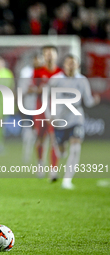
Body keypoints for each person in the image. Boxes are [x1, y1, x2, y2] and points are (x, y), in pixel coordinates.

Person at [48, 54, 100, 189]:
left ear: (78, 65)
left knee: (76, 148)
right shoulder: (55, 80)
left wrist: (94, 101)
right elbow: (46, 98)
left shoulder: (82, 80)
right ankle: (60, 155)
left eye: (73, 63)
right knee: (61, 151)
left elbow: (87, 101)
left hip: (76, 118)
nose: (71, 66)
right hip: (59, 120)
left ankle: (67, 180)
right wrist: (49, 115)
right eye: (68, 63)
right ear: (64, 65)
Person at [30, 45, 62, 180]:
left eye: (51, 53)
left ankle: (53, 170)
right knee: (41, 137)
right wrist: (41, 90)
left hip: (57, 109)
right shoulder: (38, 71)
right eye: (46, 53)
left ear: (56, 55)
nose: (49, 56)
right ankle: (40, 164)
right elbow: (32, 88)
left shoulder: (61, 72)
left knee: (55, 139)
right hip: (41, 108)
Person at [18, 53, 43, 163]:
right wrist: (35, 90)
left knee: (42, 133)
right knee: (28, 132)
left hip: (44, 107)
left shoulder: (45, 72)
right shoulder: (26, 72)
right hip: (29, 106)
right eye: (36, 59)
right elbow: (22, 90)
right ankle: (26, 155)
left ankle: (41, 158)